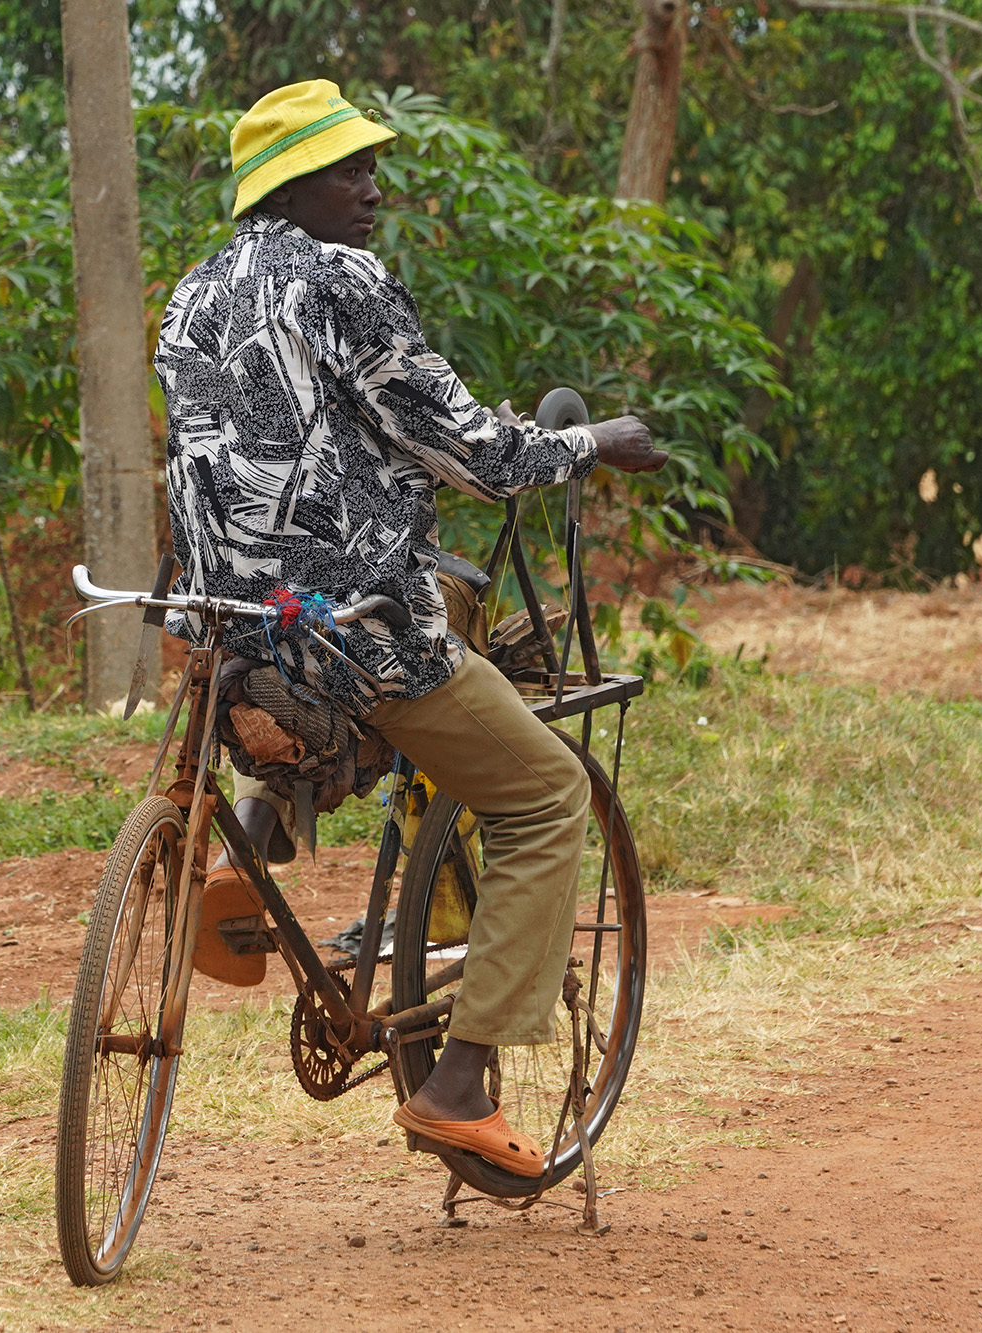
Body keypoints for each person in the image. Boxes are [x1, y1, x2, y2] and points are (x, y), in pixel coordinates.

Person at [152, 79, 669, 1176]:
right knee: (543, 793)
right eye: (350, 171)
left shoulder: (190, 298)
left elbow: (220, 470)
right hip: (359, 637)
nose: (371, 191)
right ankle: (459, 1079)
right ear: (292, 187)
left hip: (231, 631)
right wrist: (595, 440)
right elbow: (477, 454)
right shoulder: (342, 279)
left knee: (319, 656)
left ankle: (256, 835)